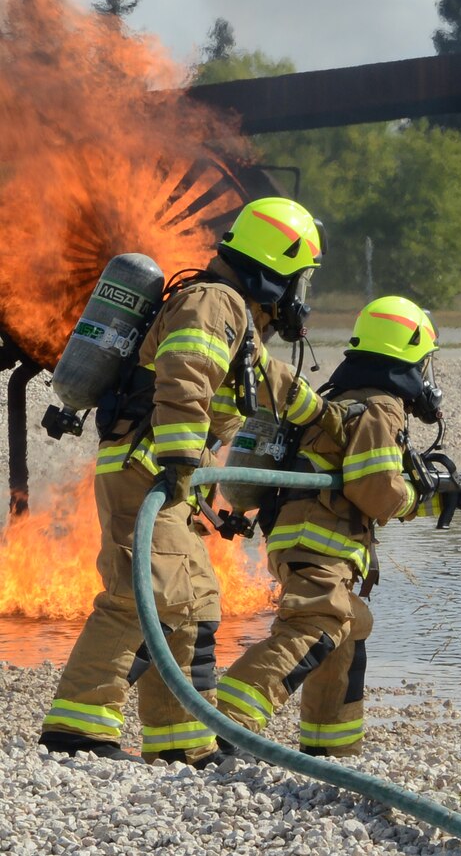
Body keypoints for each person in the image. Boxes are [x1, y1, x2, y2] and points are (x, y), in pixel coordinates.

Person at [40, 196, 325, 765]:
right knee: (139, 594)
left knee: (194, 601)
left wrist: (327, 420)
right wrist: (178, 460)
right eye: (302, 279)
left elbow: (273, 384)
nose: (302, 295)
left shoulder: (235, 315)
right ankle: (75, 733)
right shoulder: (213, 302)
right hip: (146, 469)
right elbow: (186, 372)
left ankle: (182, 742)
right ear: (280, 264)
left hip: (168, 480)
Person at [214, 296, 461, 757]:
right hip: (320, 542)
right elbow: (377, 491)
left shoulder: (345, 399)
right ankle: (224, 725)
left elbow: (377, 488)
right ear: (409, 356)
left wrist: (455, 495)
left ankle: (331, 748)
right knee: (316, 625)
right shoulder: (380, 407)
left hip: (303, 537)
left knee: (350, 624)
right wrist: (420, 494)